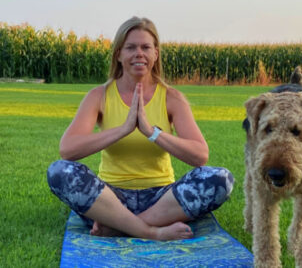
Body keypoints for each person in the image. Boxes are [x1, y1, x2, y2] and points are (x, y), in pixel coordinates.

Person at [47, 16, 234, 241]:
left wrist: (152, 132)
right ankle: (149, 230)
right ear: (118, 54)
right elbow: (68, 150)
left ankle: (118, 227)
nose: (139, 53)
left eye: (146, 47)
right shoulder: (99, 96)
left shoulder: (172, 98)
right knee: (59, 172)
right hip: (110, 199)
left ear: (156, 54)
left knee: (221, 179)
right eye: (131, 47)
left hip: (162, 200)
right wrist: (123, 129)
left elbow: (200, 155)